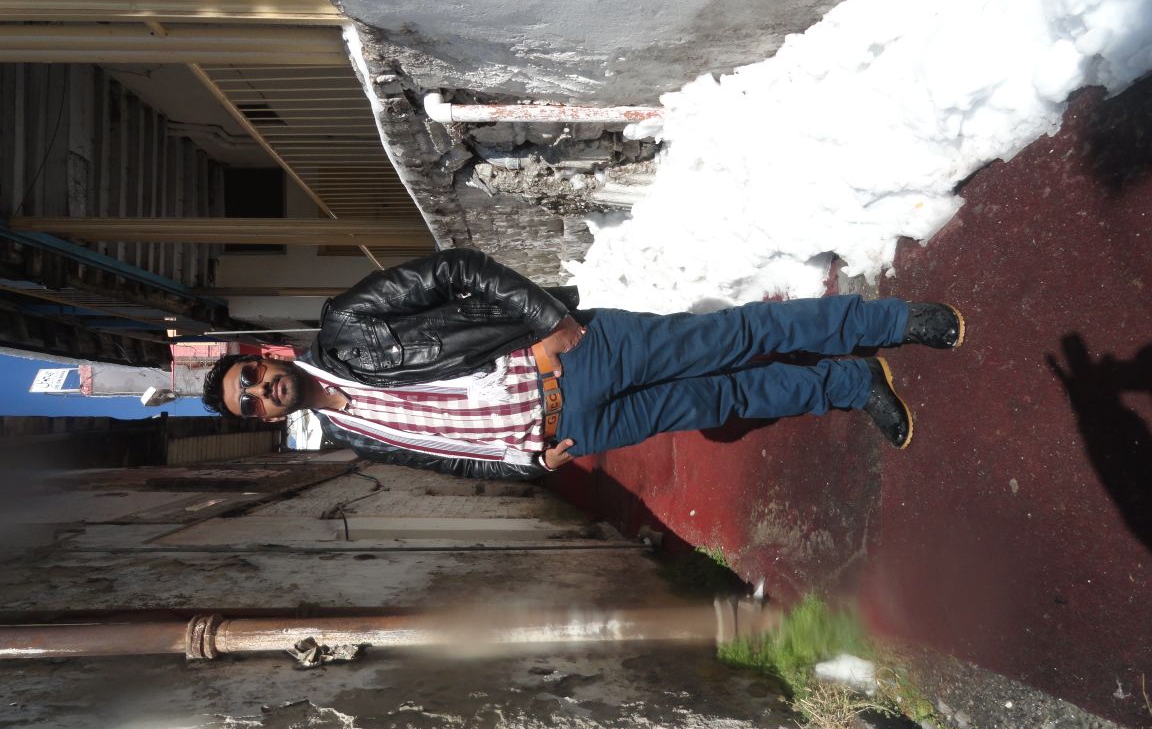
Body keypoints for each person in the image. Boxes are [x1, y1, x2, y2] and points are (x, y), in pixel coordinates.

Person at [202, 248, 963, 480]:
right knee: (723, 401)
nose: (264, 391)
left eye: (252, 378)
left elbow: (455, 270)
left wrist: (547, 320)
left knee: (732, 338)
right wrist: (532, 467)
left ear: (263, 358)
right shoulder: (353, 438)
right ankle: (851, 382)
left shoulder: (347, 326)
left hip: (570, 356)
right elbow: (455, 461)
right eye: (253, 402)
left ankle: (889, 322)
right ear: (263, 418)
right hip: (578, 429)